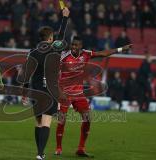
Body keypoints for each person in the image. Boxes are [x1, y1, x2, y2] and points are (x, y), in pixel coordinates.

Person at [55, 36, 132, 157]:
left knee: (88, 118)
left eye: (76, 45)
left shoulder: (86, 54)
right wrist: (59, 92)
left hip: (78, 93)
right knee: (61, 119)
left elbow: (103, 54)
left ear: (81, 46)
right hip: (64, 93)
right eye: (72, 45)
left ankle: (81, 148)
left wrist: (121, 49)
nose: (74, 47)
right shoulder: (63, 56)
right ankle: (58, 147)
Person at [20, 7, 70, 160]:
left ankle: (39, 151)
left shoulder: (32, 53)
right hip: (50, 91)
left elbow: (26, 74)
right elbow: (61, 38)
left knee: (38, 122)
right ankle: (40, 154)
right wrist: (65, 18)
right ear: (50, 38)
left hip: (36, 92)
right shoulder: (54, 50)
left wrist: (24, 93)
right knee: (46, 123)